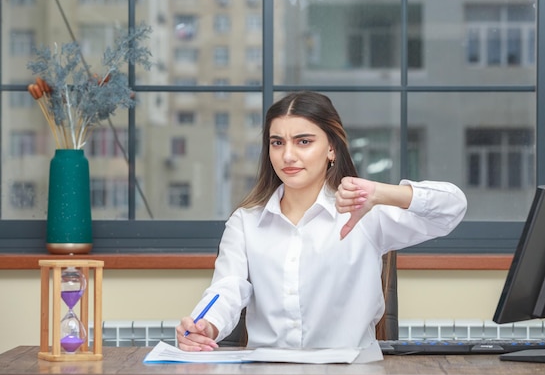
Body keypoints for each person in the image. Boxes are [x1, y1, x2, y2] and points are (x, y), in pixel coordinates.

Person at [176, 91, 467, 356]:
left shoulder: (365, 211)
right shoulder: (245, 222)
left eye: (304, 141)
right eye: (277, 143)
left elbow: (452, 208)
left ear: (331, 149)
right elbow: (227, 288)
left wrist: (381, 193)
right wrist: (205, 327)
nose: (287, 155)